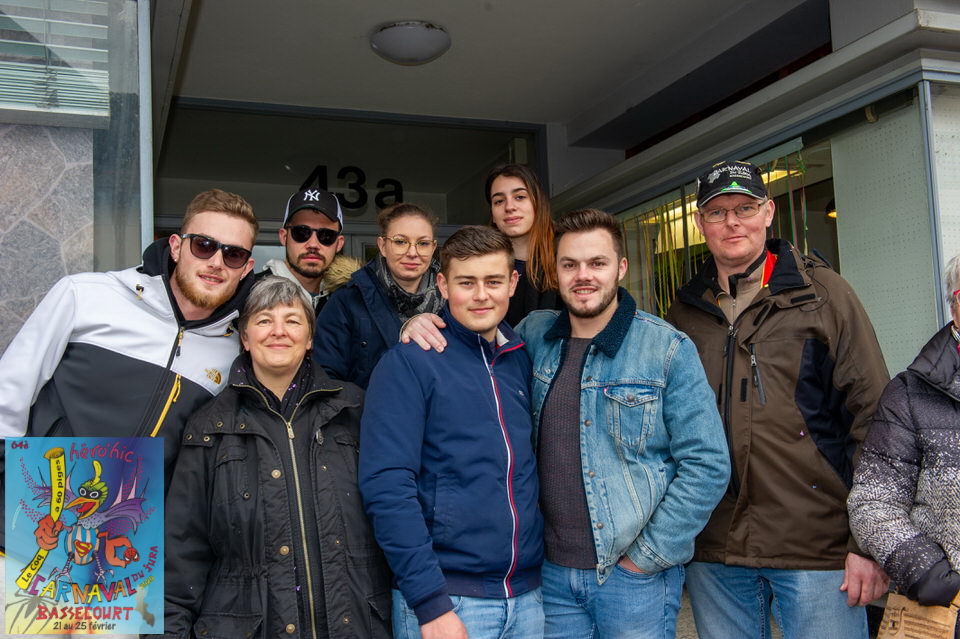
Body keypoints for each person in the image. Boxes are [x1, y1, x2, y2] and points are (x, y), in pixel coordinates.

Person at [665, 160, 890, 639]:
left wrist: (867, 542)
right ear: (701, 223)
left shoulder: (823, 295)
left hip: (815, 543)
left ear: (768, 213)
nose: (732, 222)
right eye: (718, 212)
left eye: (745, 208)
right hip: (715, 547)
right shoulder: (684, 312)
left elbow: (874, 418)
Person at [515, 208, 729, 638]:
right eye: (570, 265)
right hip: (550, 575)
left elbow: (707, 463)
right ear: (556, 272)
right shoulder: (532, 336)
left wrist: (645, 559)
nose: (583, 276)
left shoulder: (665, 347)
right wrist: (420, 321)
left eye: (597, 263)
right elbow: (471, 345)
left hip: (632, 579)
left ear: (621, 268)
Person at [0, 188, 258, 539]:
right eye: (203, 245)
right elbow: (10, 394)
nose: (216, 262)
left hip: (126, 540)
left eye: (233, 254)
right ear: (176, 247)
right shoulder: (85, 295)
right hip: (31, 515)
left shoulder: (234, 354)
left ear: (246, 268)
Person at [162, 276, 391, 639]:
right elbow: (181, 553)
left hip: (356, 624)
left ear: (310, 337)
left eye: (293, 320)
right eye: (264, 320)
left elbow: (395, 515)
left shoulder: (355, 411)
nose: (278, 331)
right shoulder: (209, 426)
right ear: (245, 337)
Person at [359, 226, 544, 639]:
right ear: (443, 285)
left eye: (493, 281)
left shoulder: (520, 359)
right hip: (450, 600)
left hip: (527, 597)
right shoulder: (410, 363)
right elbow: (387, 486)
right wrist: (430, 602)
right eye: (466, 282)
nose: (481, 295)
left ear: (513, 283)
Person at [848, 255, 960, 636]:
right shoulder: (910, 394)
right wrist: (930, 576)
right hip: (948, 612)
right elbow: (873, 501)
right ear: (953, 307)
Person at [314, 202, 443, 388]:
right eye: (400, 242)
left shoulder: (453, 300)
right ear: (382, 246)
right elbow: (325, 379)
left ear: (433, 247)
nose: (412, 253)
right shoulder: (347, 301)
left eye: (423, 243)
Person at [261, 186, 360, 315]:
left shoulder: (350, 301)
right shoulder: (251, 294)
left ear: (339, 243)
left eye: (326, 235)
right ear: (284, 237)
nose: (313, 244)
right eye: (301, 233)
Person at [486, 163, 559, 325]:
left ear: (537, 203)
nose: (509, 207)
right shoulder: (480, 265)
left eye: (519, 197)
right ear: (492, 214)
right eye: (499, 201)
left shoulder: (567, 259)